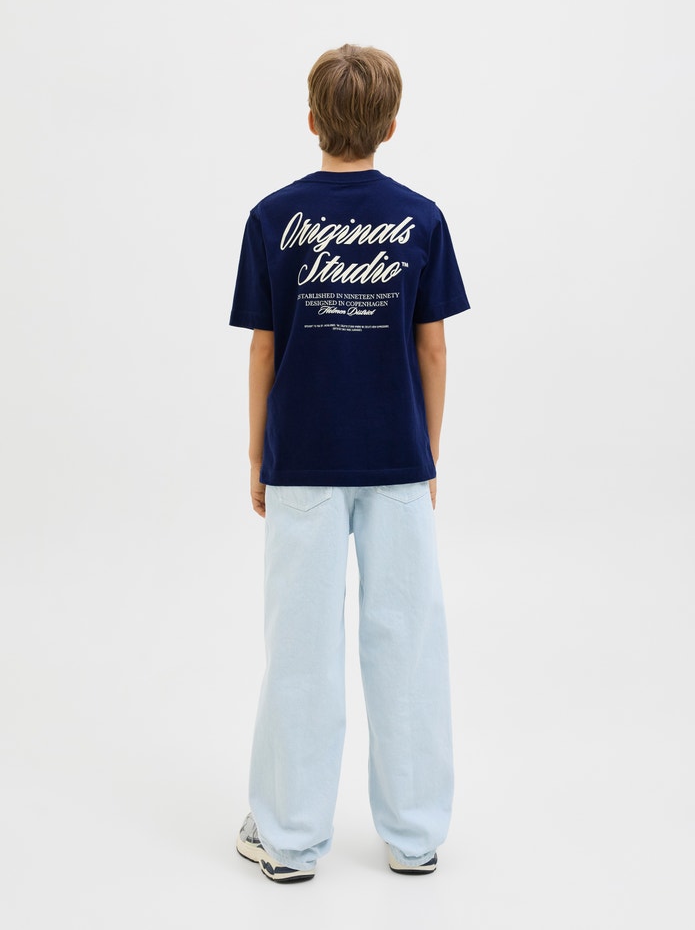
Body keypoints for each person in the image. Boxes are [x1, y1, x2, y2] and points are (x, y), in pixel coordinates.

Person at [229, 43, 471, 883]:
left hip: (302, 459)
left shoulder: (273, 218)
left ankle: (290, 838)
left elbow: (263, 350)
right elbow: (433, 349)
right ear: (391, 126)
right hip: (397, 458)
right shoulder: (421, 218)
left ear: (311, 120)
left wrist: (257, 454)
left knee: (301, 647)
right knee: (407, 640)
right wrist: (426, 452)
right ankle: (414, 835)